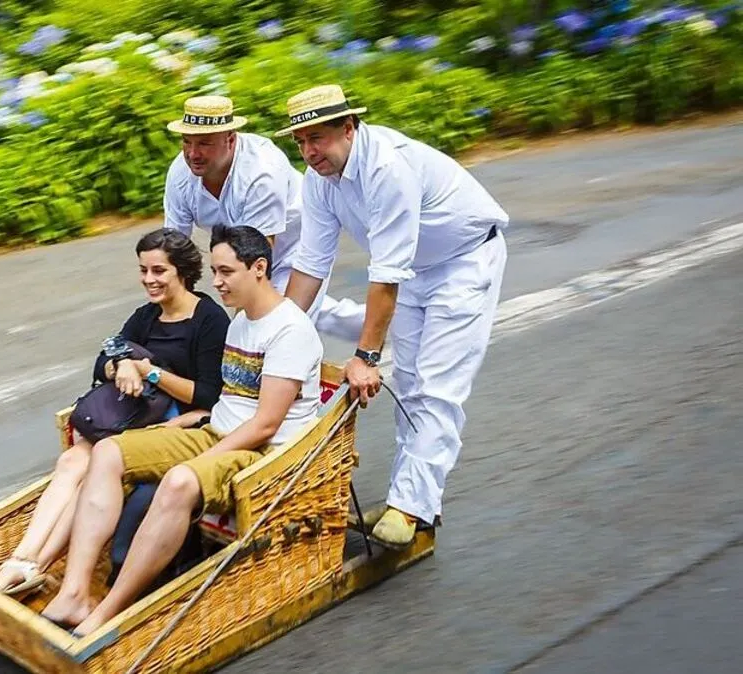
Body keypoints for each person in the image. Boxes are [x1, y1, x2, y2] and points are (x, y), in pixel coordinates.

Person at [41, 225, 324, 636]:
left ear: (259, 268)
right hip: (216, 431)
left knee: (178, 481)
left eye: (226, 272)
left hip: (265, 455)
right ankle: (75, 593)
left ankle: (108, 613)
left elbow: (265, 423)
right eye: (215, 270)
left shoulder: (290, 330)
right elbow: (228, 396)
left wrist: (205, 456)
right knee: (108, 452)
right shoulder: (243, 321)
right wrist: (197, 418)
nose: (217, 282)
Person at [274, 84, 510, 548]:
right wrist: (276, 327)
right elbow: (310, 265)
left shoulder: (386, 167)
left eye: (316, 138)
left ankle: (410, 506)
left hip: (464, 262)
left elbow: (385, 277)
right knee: (411, 384)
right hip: (418, 269)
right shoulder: (318, 179)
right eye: (299, 142)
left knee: (438, 386)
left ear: (348, 127)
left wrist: (365, 356)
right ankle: (412, 499)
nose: (308, 151)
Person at [0, 228, 231, 596]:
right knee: (71, 463)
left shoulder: (208, 320)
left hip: (175, 424)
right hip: (132, 416)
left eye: (158, 271)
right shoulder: (146, 317)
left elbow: (210, 395)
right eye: (143, 270)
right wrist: (123, 367)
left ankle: (36, 565)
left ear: (182, 271)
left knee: (91, 474)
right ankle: (22, 561)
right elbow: (103, 360)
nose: (149, 279)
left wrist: (147, 370)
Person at [161, 93, 367, 341]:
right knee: (301, 310)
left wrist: (233, 342)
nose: (193, 154)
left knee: (274, 330)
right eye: (187, 142)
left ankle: (376, 332)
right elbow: (174, 251)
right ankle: (380, 324)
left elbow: (255, 263)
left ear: (230, 139)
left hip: (296, 243)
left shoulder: (262, 171)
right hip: (239, 248)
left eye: (204, 143)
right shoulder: (180, 172)